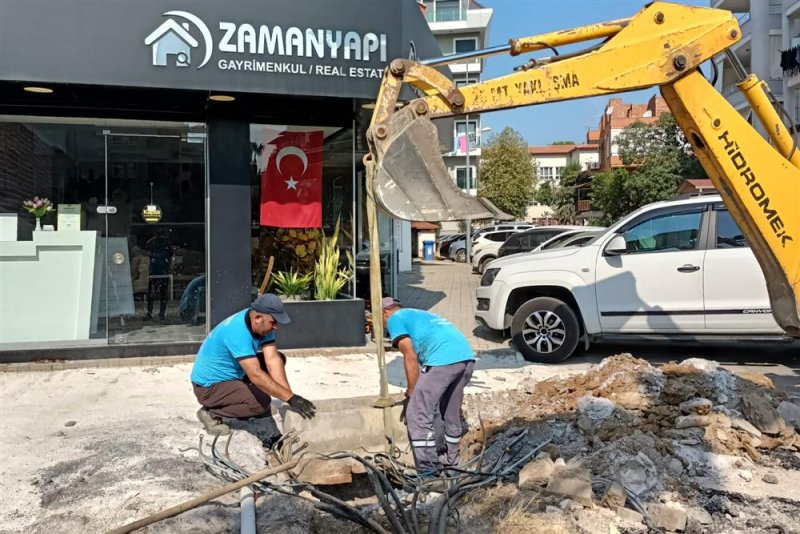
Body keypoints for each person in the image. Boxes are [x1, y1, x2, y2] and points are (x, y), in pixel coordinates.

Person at [190, 293, 317, 441]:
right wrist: (291, 398)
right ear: (258, 319)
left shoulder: (260, 323)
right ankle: (211, 413)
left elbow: (272, 360)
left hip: (233, 374)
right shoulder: (237, 332)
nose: (275, 327)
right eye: (273, 322)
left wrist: (289, 397)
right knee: (260, 403)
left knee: (279, 359)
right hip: (209, 387)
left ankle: (238, 394)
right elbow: (255, 375)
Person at [382, 297, 475, 477]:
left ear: (385, 312)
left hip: (443, 361)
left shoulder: (395, 318)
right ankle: (452, 463)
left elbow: (410, 356)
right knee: (450, 412)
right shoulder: (423, 315)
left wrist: (411, 394)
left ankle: (429, 473)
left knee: (417, 414)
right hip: (466, 358)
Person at [146, 229, 172, 320]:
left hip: (157, 270)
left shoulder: (154, 242)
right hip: (159, 270)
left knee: (156, 293)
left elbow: (170, 255)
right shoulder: (164, 243)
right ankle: (158, 313)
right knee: (159, 293)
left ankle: (154, 313)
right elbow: (171, 255)